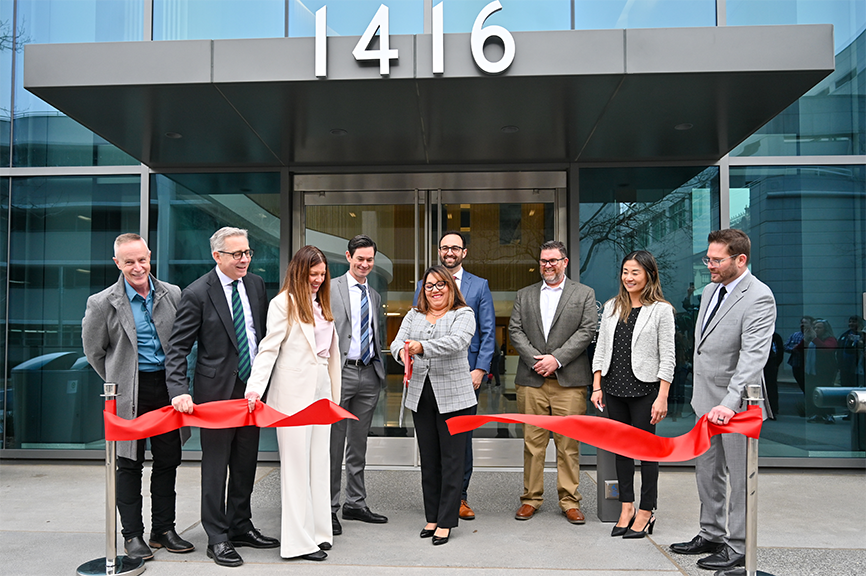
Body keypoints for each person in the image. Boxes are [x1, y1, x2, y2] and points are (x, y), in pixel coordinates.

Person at [165, 227, 279, 567]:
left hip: (251, 392)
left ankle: (240, 525)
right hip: (214, 396)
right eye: (237, 254)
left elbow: (259, 335)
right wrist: (178, 391)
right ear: (217, 256)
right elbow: (177, 348)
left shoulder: (256, 285)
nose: (244, 259)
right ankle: (217, 536)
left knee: (246, 462)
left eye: (247, 253)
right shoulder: (198, 292)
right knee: (216, 468)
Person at [82, 233, 193, 562]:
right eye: (128, 261)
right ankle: (132, 535)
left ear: (149, 257)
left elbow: (183, 341)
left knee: (168, 461)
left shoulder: (172, 293)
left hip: (167, 389)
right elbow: (94, 352)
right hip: (130, 392)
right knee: (129, 464)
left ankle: (163, 530)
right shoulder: (102, 303)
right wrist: (119, 380)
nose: (137, 266)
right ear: (117, 263)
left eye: (141, 259)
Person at [670, 229, 775, 571]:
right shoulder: (712, 290)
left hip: (735, 406)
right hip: (705, 401)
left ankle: (739, 546)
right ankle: (712, 533)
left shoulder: (759, 296)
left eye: (717, 260)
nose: (710, 265)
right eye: (709, 258)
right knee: (707, 472)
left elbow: (752, 358)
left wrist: (728, 404)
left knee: (741, 477)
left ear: (740, 259)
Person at [244, 245, 341, 561]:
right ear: (299, 272)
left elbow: (330, 357)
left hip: (321, 396)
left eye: (322, 274)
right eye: (313, 274)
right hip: (292, 397)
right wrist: (255, 390)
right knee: (297, 469)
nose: (318, 280)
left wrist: (334, 399)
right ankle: (298, 543)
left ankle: (318, 532)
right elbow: (268, 349)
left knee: (318, 465)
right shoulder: (281, 304)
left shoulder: (321, 303)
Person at [507, 240, 596, 525]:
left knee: (568, 444)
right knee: (533, 444)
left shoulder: (583, 294)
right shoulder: (525, 294)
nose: (548, 265)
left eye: (553, 260)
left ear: (565, 262)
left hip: (569, 381)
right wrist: (537, 360)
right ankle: (530, 499)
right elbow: (515, 330)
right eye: (544, 261)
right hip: (532, 380)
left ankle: (570, 501)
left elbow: (587, 330)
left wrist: (556, 359)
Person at [590, 250, 675, 539]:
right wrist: (597, 385)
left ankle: (646, 511)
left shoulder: (661, 310)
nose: (628, 277)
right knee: (621, 452)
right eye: (625, 271)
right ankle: (627, 507)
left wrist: (662, 395)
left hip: (645, 390)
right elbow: (601, 348)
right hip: (613, 389)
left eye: (635, 272)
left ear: (649, 274)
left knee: (648, 453)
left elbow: (668, 356)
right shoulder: (613, 306)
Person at [391, 265, 477, 546]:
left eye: (441, 284)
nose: (435, 290)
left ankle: (447, 520)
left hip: (456, 399)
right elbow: (396, 343)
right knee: (429, 460)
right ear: (423, 290)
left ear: (451, 288)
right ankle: (432, 516)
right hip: (421, 396)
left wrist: (420, 347)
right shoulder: (413, 314)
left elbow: (457, 342)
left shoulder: (463, 314)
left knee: (452, 460)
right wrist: (402, 352)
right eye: (429, 286)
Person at [413, 231, 495, 520]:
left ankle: (460, 497)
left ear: (464, 252)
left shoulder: (479, 286)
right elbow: (415, 326)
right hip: (426, 377)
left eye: (455, 248)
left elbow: (487, 331)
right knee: (436, 446)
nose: (450, 252)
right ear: (439, 251)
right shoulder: (425, 285)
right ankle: (440, 505)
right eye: (445, 247)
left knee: (460, 443)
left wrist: (480, 370)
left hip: (464, 376)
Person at [329, 235, 389, 535]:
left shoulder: (374, 295)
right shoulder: (330, 288)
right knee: (334, 444)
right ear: (348, 257)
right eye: (360, 259)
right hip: (341, 374)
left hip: (368, 373)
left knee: (358, 444)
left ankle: (356, 502)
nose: (365, 264)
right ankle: (329, 507)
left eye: (369, 259)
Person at [801, 318, 838, 424]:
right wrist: (807, 339)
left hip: (825, 371)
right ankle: (816, 413)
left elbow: (827, 349)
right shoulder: (813, 339)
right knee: (812, 392)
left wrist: (815, 339)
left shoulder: (830, 339)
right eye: (815, 328)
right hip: (812, 371)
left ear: (825, 329)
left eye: (819, 328)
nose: (817, 330)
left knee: (826, 393)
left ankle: (828, 414)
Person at [784, 316, 814, 394]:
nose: (802, 325)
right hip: (796, 363)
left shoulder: (813, 335)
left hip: (809, 364)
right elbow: (785, 346)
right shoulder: (795, 335)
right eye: (802, 323)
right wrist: (792, 349)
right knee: (800, 382)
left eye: (805, 323)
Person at [836, 316, 864, 389]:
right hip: (845, 369)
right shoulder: (844, 335)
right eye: (850, 322)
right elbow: (840, 351)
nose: (851, 324)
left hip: (860, 369)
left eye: (854, 322)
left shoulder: (863, 335)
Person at [764, 332, 785, 418]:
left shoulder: (775, 336)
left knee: (771, 386)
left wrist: (776, 364)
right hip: (764, 364)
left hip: (771, 364)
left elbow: (780, 350)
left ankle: (773, 409)